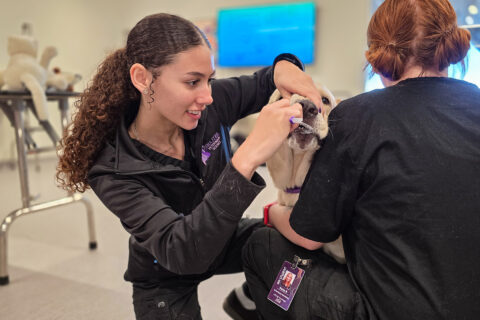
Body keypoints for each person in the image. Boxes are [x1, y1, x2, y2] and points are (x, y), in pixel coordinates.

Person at [56, 13, 322, 320]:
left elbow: (268, 79)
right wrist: (247, 157)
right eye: (192, 82)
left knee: (301, 240)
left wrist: (286, 64)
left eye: (209, 79)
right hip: (167, 269)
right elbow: (185, 253)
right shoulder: (111, 167)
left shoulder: (211, 103)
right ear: (143, 78)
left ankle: (248, 299)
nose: (207, 96)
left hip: (223, 237)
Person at [242, 0, 480, 319]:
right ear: (449, 45)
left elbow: (310, 237)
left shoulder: (357, 116)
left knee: (261, 243)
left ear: (379, 54)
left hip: (386, 312)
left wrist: (272, 212)